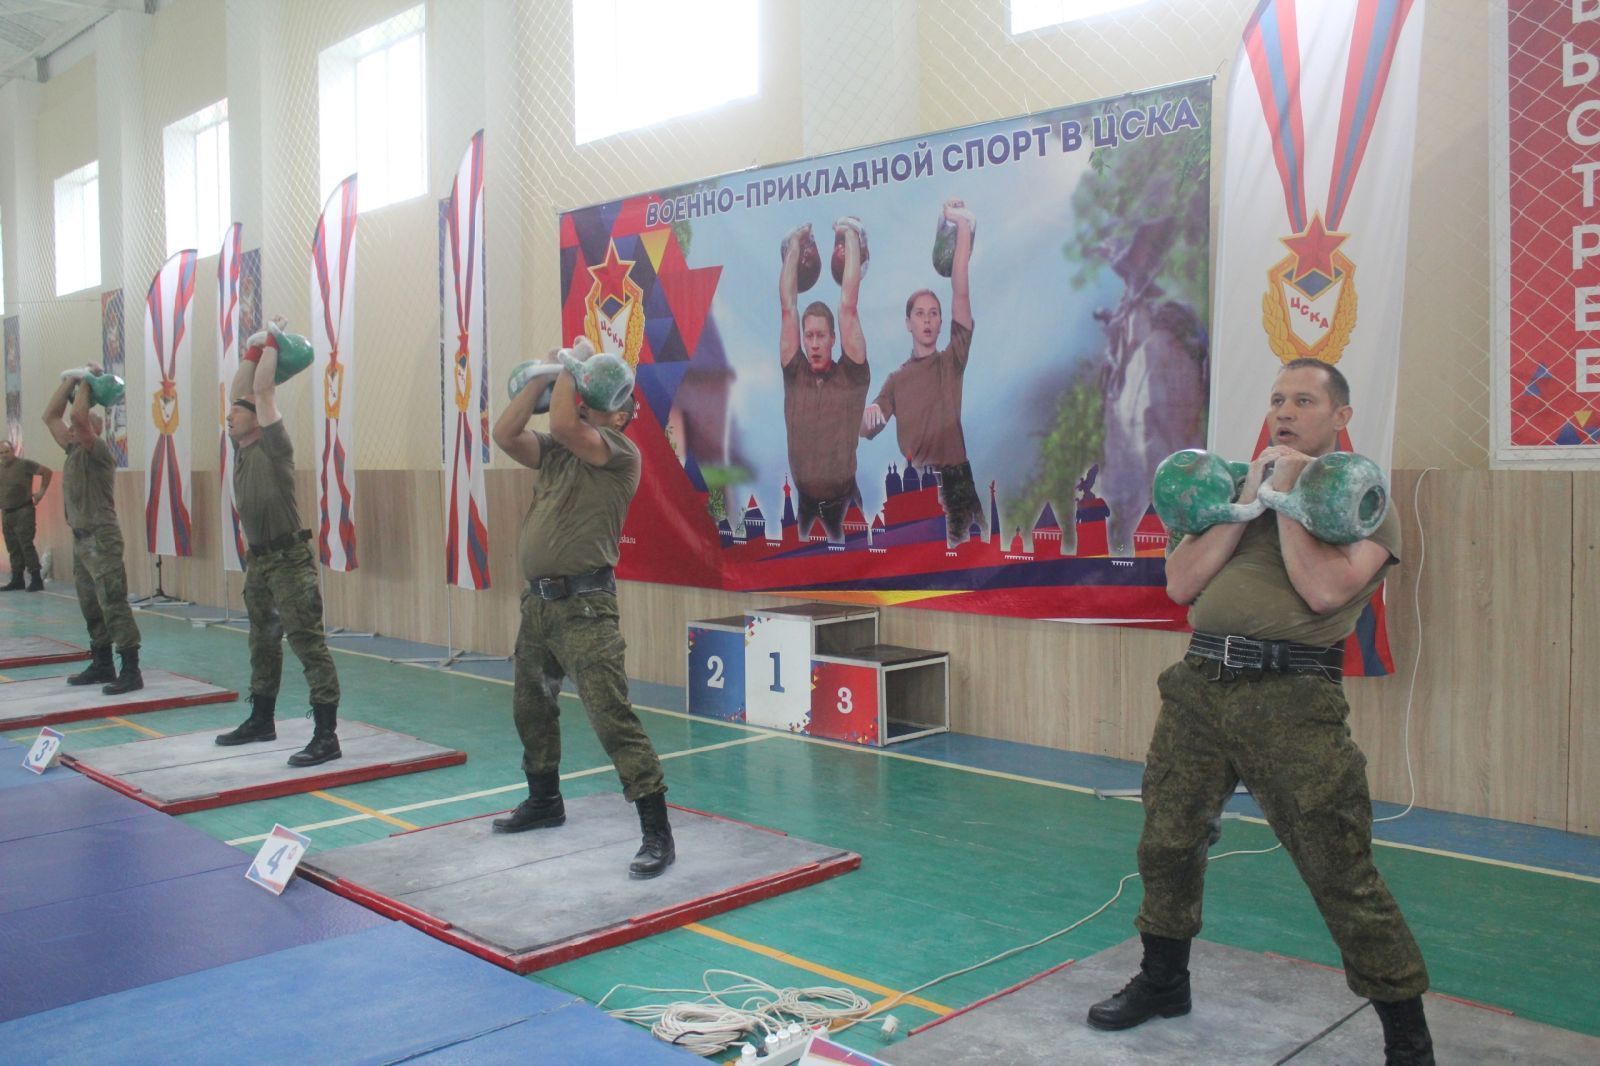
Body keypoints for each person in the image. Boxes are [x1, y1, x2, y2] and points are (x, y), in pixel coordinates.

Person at [1088, 358, 1433, 1066]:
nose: (1285, 412)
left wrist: (1286, 498)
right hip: (1200, 685)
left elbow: (1323, 592)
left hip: (1292, 698)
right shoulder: (1229, 487)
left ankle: (1408, 1038)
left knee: (1339, 867)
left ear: (1340, 417)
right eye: (1278, 399)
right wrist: (1249, 498)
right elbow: (1181, 583)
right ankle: (1164, 982)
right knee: (1167, 841)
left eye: (1304, 400)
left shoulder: (1363, 499)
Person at [490, 338, 674, 880]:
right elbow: (505, 434)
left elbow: (567, 424)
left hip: (585, 609)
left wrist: (570, 363)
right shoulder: (556, 451)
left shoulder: (618, 453)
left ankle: (657, 831)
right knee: (531, 709)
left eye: (622, 408)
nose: (619, 411)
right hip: (538, 607)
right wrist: (542, 376)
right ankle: (544, 800)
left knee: (611, 717)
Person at [214, 325, 343, 767]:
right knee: (262, 641)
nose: (230, 417)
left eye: (238, 412)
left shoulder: (274, 446)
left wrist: (271, 342)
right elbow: (243, 388)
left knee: (307, 644)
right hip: (260, 562)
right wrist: (251, 350)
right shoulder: (240, 448)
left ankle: (326, 735)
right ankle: (261, 719)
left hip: (289, 561)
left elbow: (262, 390)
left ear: (259, 418)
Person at [862, 198, 980, 545]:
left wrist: (961, 225)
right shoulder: (896, 381)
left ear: (942, 322)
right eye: (920, 314)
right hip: (917, 492)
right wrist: (866, 416)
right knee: (926, 568)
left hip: (958, 485)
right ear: (908, 323)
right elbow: (867, 428)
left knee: (977, 562)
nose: (927, 320)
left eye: (934, 313)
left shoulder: (951, 361)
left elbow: (961, 290)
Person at [42, 365, 142, 694]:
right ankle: (102, 663)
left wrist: (86, 379)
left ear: (92, 431)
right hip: (81, 539)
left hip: (101, 537)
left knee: (112, 603)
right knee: (90, 604)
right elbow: (49, 416)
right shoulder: (72, 450)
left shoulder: (97, 451)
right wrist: (71, 379)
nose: (71, 429)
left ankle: (131, 670)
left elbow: (78, 416)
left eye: (79, 427)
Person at [780, 219, 870, 541]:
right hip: (804, 509)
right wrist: (795, 245)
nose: (815, 344)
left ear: (833, 338)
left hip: (844, 508)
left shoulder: (851, 376)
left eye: (821, 336)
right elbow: (788, 307)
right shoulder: (795, 374)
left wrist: (850, 236)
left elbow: (848, 307)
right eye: (809, 336)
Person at [0, 440, 52, 591]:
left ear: (13, 451)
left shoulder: (24, 464)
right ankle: (17, 579)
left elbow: (46, 472)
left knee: (26, 545)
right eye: (1, 453)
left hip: (23, 511)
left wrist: (41, 492)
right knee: (12, 546)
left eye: (6, 452)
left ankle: (36, 578)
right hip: (6, 512)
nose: (4, 455)